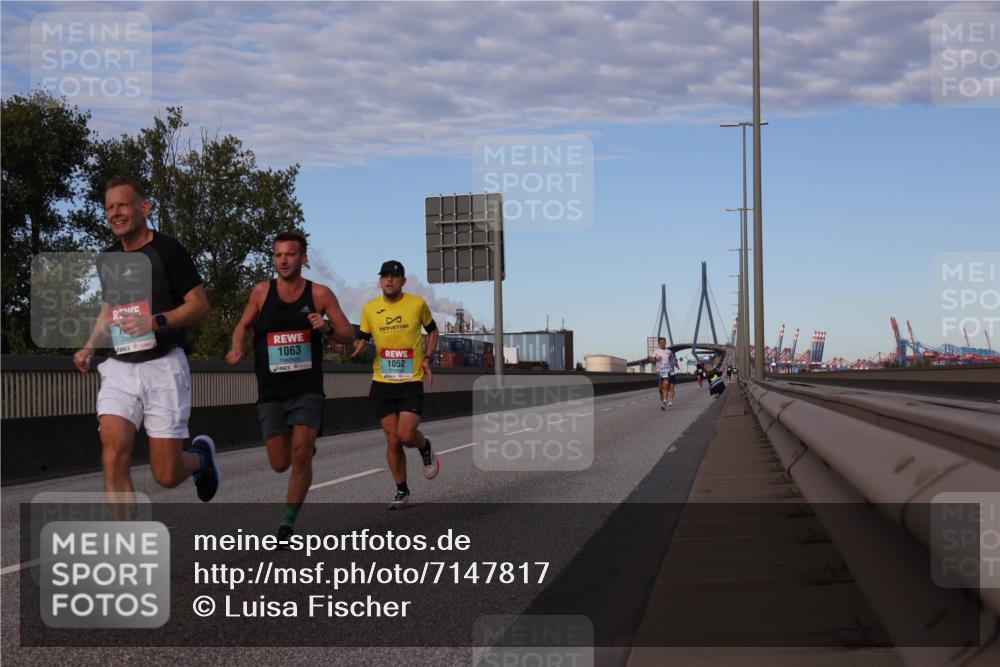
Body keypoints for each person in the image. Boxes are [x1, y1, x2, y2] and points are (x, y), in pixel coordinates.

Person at [73, 176, 219, 500]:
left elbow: (200, 305)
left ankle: (201, 459)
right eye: (109, 207)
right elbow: (108, 309)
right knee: (113, 455)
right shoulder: (108, 258)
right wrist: (89, 345)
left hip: (163, 365)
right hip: (119, 367)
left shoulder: (168, 250)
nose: (115, 213)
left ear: (145, 208)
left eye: (123, 205)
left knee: (166, 474)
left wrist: (155, 322)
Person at [227, 231, 354, 543]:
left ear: (303, 258)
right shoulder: (261, 292)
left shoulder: (320, 294)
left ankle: (287, 525)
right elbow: (242, 326)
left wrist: (326, 328)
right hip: (271, 391)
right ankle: (305, 449)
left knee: (300, 454)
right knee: (279, 463)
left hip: (307, 389)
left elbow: (348, 335)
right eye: (278, 255)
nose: (283, 260)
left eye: (290, 254)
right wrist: (237, 347)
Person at [351, 260, 440, 509]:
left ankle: (425, 445)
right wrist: (358, 346)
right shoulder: (370, 308)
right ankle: (402, 491)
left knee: (405, 435)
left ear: (403, 281)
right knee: (392, 439)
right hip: (382, 381)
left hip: (410, 380)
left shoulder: (417, 304)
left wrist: (427, 358)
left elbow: (433, 331)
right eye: (385, 276)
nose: (389, 280)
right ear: (380, 281)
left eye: (394, 276)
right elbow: (363, 338)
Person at [649, 337, 677, 409]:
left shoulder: (669, 351)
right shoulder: (656, 351)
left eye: (663, 342)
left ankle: (664, 401)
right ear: (659, 343)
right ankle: (661, 393)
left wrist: (674, 361)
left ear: (665, 343)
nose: (662, 344)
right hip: (659, 370)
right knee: (660, 387)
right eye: (661, 342)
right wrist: (656, 359)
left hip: (666, 370)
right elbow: (651, 359)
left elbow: (672, 360)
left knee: (666, 385)